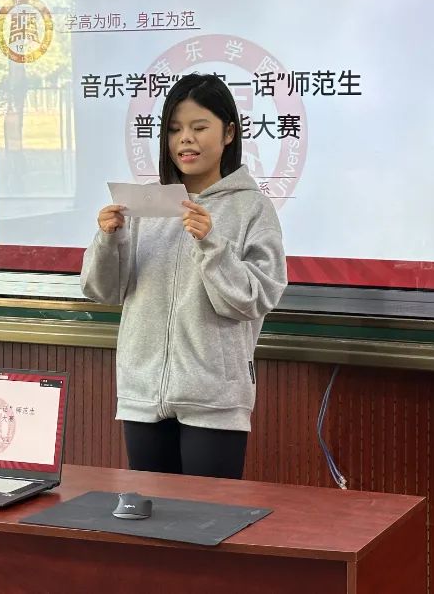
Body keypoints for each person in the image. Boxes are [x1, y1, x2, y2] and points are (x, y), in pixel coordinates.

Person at [80, 73, 287, 479]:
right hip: (142, 394)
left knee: (207, 515)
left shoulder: (252, 209)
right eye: (174, 130)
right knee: (151, 512)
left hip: (215, 400)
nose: (185, 140)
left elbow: (255, 298)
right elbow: (102, 290)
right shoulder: (145, 204)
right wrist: (108, 240)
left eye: (199, 127)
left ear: (229, 132)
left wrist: (212, 243)